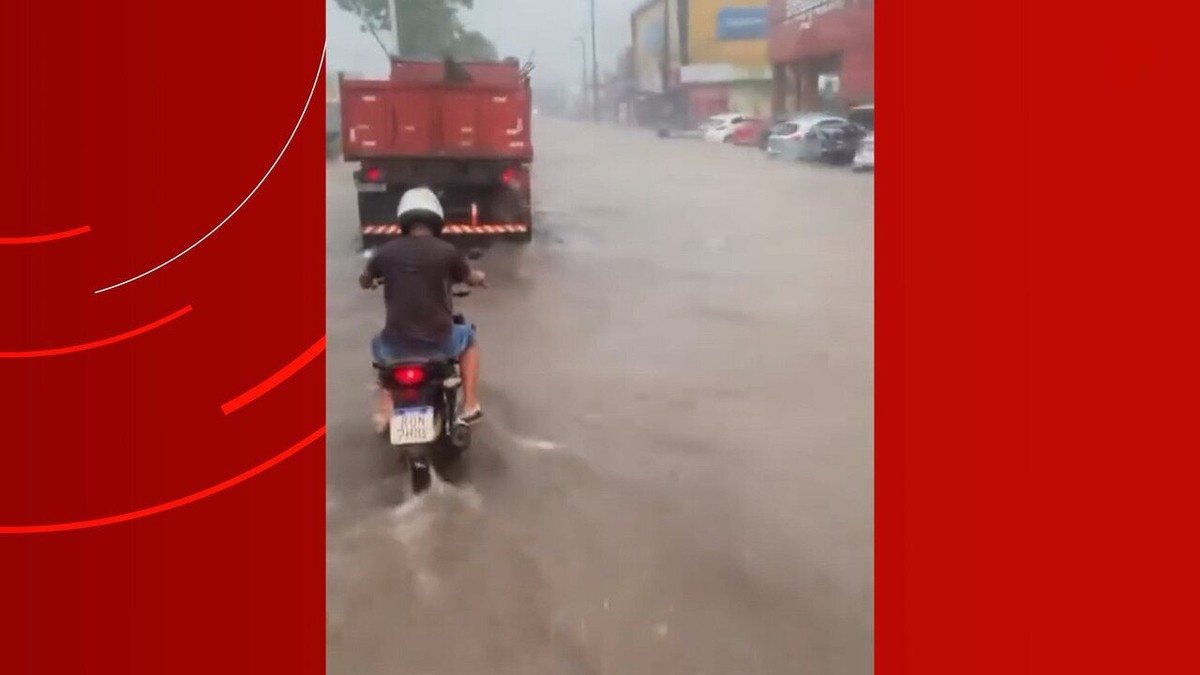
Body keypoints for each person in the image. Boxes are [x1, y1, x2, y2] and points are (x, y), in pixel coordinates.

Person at [360, 187, 487, 431]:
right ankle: (470, 404)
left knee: (379, 350)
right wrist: (480, 278)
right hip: (439, 342)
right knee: (468, 339)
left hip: (396, 344)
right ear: (436, 219)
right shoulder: (447, 251)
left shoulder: (385, 252)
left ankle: (384, 408)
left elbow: (365, 279)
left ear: (403, 220)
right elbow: (470, 277)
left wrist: (371, 280)